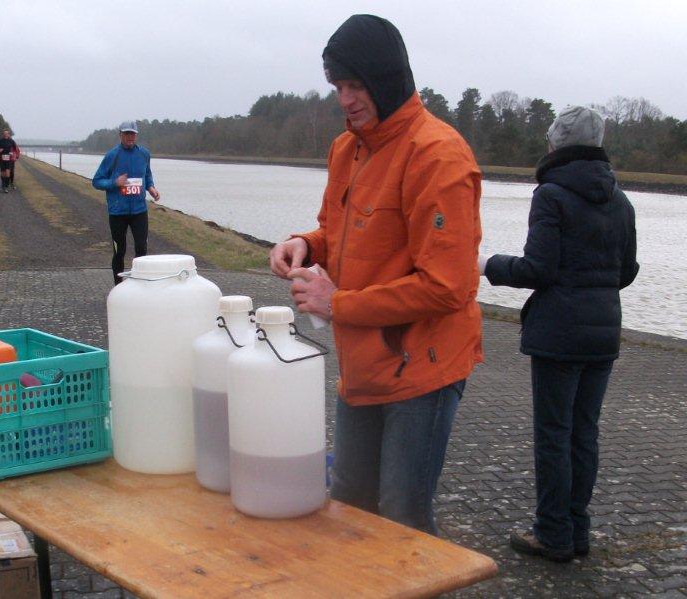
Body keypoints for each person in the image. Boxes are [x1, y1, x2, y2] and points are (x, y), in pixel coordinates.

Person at [269, 14, 483, 535]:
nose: (345, 99)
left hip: (423, 370)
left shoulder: (439, 156)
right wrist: (306, 244)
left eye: (356, 85)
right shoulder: (347, 148)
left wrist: (336, 303)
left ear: (387, 78)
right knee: (349, 505)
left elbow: (448, 286)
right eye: (338, 86)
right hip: (362, 366)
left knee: (402, 516)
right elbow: (337, 231)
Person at [479, 106, 639, 562]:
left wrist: (487, 265)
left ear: (556, 144)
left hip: (560, 335)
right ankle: (577, 531)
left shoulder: (551, 195)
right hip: (603, 333)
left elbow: (538, 269)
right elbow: (626, 271)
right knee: (584, 434)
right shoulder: (621, 201)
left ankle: (552, 534)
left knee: (554, 435)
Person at [92, 121, 160, 284]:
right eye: (127, 134)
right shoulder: (112, 156)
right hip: (118, 213)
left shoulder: (144, 154)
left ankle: (140, 285)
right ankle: (118, 287)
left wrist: (151, 187)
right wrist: (114, 183)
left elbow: (147, 174)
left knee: (141, 249)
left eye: (132, 134)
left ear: (136, 135)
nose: (130, 137)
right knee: (119, 251)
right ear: (120, 135)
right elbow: (97, 181)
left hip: (139, 211)